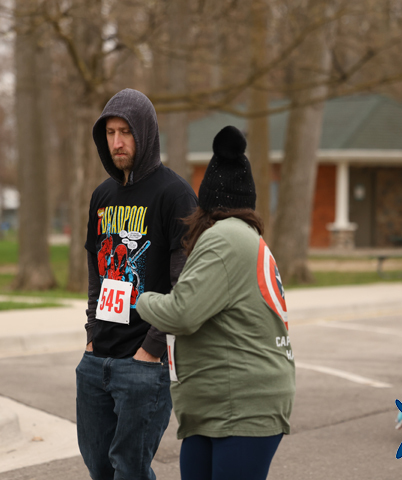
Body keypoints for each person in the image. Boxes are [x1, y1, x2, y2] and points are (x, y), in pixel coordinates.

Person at [136, 126, 296, 480]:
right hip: (218, 407)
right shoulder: (244, 236)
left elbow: (182, 313)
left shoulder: (224, 239)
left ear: (205, 203)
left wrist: (141, 298)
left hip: (241, 408)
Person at [77, 88, 198, 479]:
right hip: (97, 358)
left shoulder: (175, 194)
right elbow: (96, 274)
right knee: (99, 469)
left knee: (130, 469)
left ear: (145, 133)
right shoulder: (102, 196)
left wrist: (151, 350)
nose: (117, 142)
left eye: (125, 132)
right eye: (110, 132)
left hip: (144, 363)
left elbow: (184, 283)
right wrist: (91, 337)